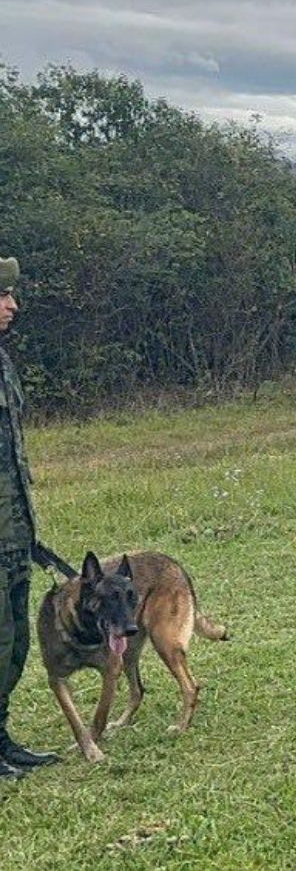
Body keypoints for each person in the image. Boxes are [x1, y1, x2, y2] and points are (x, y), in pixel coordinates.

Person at [0, 257, 59, 778]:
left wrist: (27, 531)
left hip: (12, 531)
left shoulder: (1, 361)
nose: (12, 306)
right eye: (0, 296)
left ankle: (1, 738)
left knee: (13, 641)